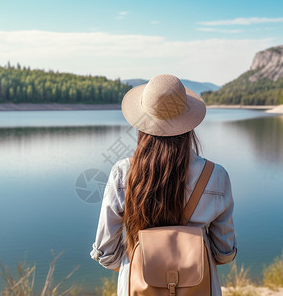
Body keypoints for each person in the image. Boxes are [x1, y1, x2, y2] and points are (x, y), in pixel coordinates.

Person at [90, 74, 237, 295]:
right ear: (188, 124)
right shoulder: (215, 175)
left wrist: (140, 263)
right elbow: (224, 252)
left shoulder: (123, 173)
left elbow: (106, 251)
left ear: (142, 123)